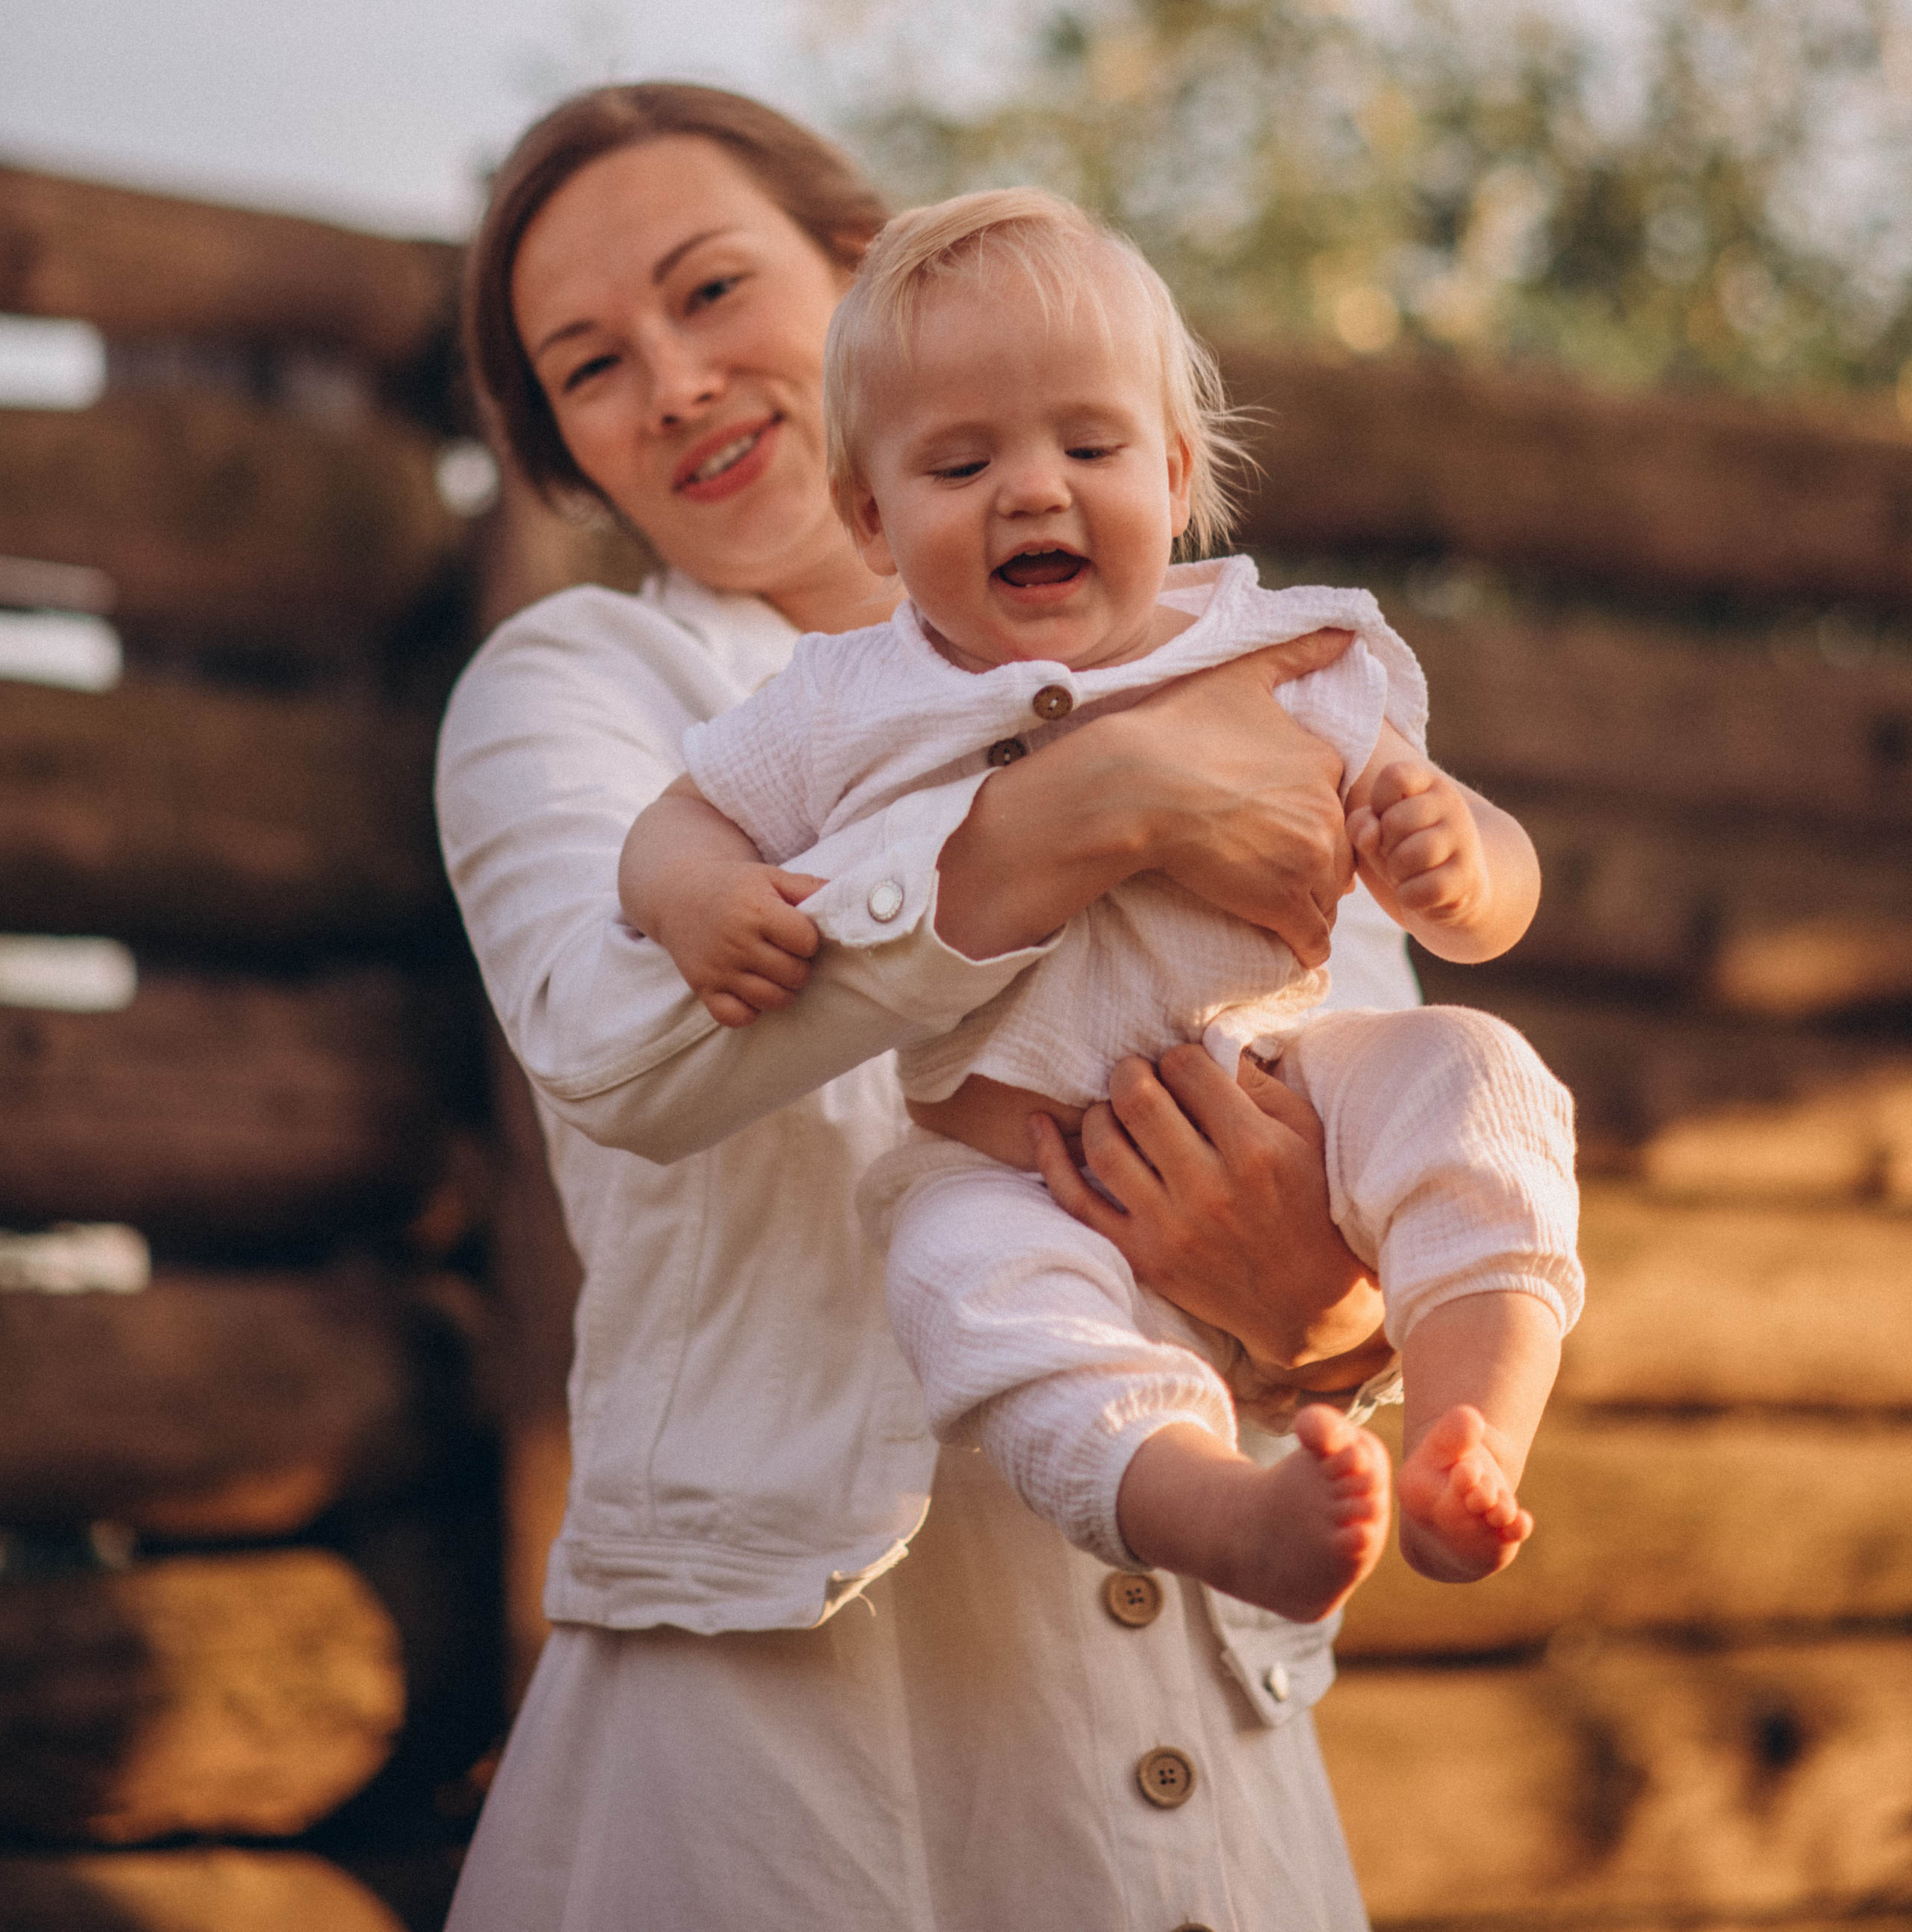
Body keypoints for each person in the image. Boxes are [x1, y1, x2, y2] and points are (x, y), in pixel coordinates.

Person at [437, 84, 1441, 1930]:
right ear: (570, 452)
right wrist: (1082, 811)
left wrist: (1332, 1316)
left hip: (1176, 1710)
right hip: (785, 1731)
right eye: (588, 367)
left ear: (861, 270)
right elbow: (614, 1048)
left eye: (709, 289)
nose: (668, 380)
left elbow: (1352, 1091)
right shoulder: (584, 685)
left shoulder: (1229, 659)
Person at [621, 188, 1581, 1634]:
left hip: (1276, 1093)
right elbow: (675, 820)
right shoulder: (843, 701)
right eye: (958, 463)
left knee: (1473, 1074)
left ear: (1178, 470)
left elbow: (1478, 893)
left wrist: (1461, 857)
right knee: (967, 1291)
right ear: (868, 520)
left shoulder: (1278, 653)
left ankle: (1470, 1433)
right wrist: (697, 893)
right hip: (1008, 1166)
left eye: (1087, 444)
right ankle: (1219, 1514)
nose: (1030, 489)